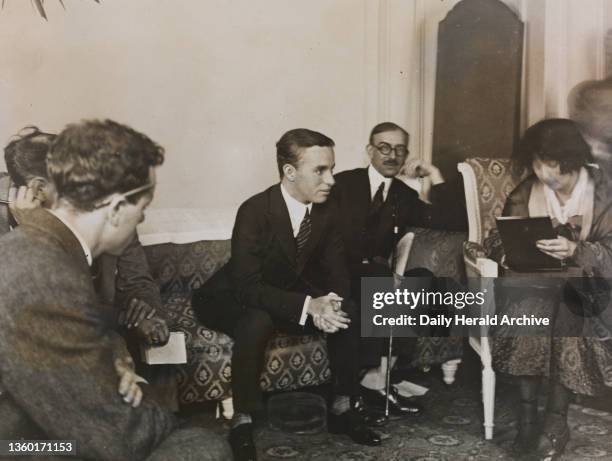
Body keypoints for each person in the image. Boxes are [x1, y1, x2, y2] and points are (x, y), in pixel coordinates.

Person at [0, 119, 230, 460]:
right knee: (204, 447)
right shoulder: (36, 260)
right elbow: (109, 435)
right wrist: (136, 387)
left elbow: (125, 288)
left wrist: (118, 345)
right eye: (143, 207)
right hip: (22, 443)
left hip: (74, 387)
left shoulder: (50, 247)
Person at [192, 128, 381, 461]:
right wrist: (310, 306)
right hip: (229, 296)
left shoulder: (328, 209)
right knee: (257, 320)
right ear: (289, 172)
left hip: (282, 293)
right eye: (320, 171)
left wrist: (331, 302)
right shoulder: (254, 210)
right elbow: (247, 287)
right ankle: (242, 419)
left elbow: (338, 269)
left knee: (346, 308)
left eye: (332, 169)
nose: (331, 180)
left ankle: (341, 407)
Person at [1, 126, 176, 408]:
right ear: (37, 188)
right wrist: (34, 232)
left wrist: (146, 312)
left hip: (103, 331)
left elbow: (138, 280)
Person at [492, 118, 612, 460]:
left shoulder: (604, 191)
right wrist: (512, 250)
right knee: (528, 314)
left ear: (572, 159)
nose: (542, 172)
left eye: (551, 163)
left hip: (591, 289)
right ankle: (528, 418)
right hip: (536, 286)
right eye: (536, 162)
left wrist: (578, 250)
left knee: (569, 315)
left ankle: (555, 421)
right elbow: (496, 239)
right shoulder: (527, 190)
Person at [331, 122, 467, 415]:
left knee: (427, 282)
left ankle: (379, 377)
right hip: (337, 275)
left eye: (399, 149)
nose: (391, 155)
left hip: (377, 279)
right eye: (384, 148)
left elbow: (453, 220)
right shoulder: (343, 183)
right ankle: (367, 380)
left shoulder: (404, 195)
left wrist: (434, 175)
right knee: (384, 280)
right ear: (370, 150)